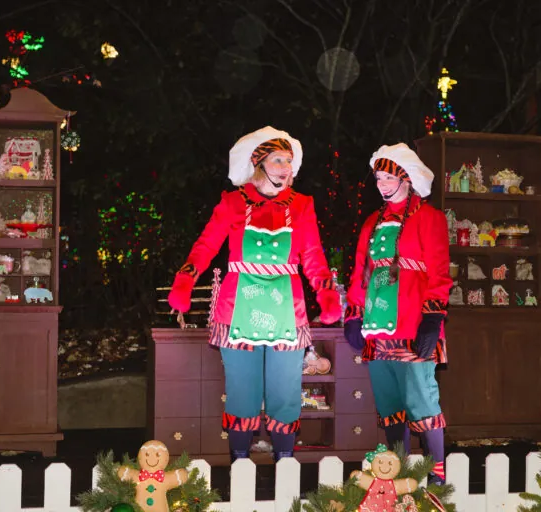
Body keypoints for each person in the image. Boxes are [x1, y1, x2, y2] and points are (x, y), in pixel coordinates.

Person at [168, 126, 342, 463]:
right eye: (278, 160)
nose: (286, 168)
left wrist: (326, 294)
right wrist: (185, 281)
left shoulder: (302, 206)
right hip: (238, 312)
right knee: (242, 393)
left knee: (285, 394)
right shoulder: (233, 203)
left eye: (289, 161)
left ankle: (285, 462)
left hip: (287, 312)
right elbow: (205, 246)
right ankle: (239, 464)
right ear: (258, 163)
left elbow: (313, 256)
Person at [344, 143, 451, 485]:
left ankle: (436, 481)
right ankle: (397, 477)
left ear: (407, 178)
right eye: (378, 177)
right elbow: (360, 273)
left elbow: (439, 273)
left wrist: (433, 318)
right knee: (391, 408)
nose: (382, 183)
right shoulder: (371, 223)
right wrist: (353, 314)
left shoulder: (429, 218)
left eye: (389, 176)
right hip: (378, 330)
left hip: (413, 326)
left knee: (422, 404)